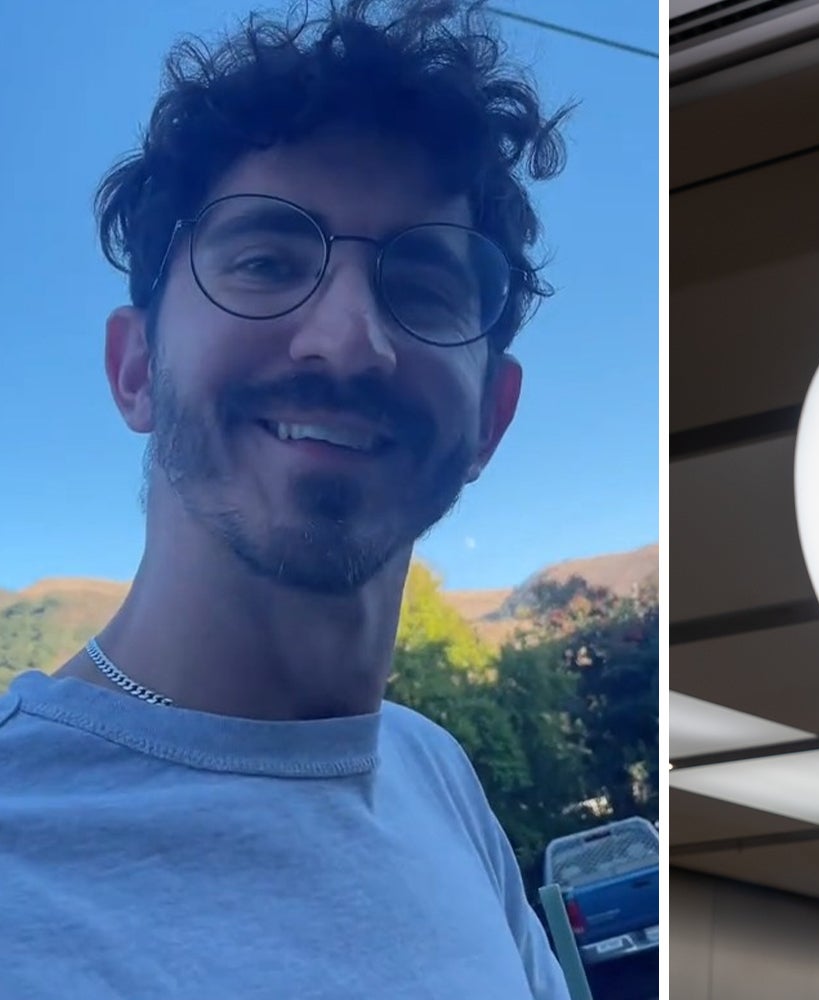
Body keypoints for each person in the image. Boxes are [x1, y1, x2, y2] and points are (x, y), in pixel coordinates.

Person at [0, 2, 579, 997]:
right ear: (134, 369)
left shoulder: (434, 778)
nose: (349, 339)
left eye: (424, 286)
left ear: (490, 416)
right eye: (266, 261)